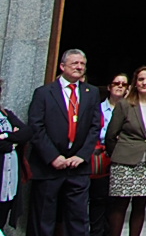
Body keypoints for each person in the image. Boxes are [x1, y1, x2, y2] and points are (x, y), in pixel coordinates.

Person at [28, 48, 104, 236]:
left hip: (78, 167)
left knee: (78, 218)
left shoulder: (91, 92)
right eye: (75, 63)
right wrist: (53, 156)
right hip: (49, 166)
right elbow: (36, 127)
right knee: (44, 218)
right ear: (62, 66)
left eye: (82, 64)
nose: (79, 67)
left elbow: (96, 127)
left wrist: (82, 155)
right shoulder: (44, 93)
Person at [104, 66, 146, 236]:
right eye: (141, 79)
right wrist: (119, 154)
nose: (144, 83)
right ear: (135, 83)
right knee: (120, 205)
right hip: (124, 162)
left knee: (140, 205)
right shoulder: (125, 105)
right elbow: (111, 135)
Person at [91, 74, 130, 236]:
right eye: (116, 83)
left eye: (124, 84)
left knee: (116, 205)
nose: (120, 86)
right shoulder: (97, 109)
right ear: (109, 87)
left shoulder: (131, 110)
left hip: (122, 160)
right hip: (101, 160)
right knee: (98, 202)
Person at [0, 76, 36, 230]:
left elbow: (27, 132)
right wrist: (13, 142)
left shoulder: (6, 114)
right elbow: (4, 147)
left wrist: (7, 136)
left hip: (8, 181)